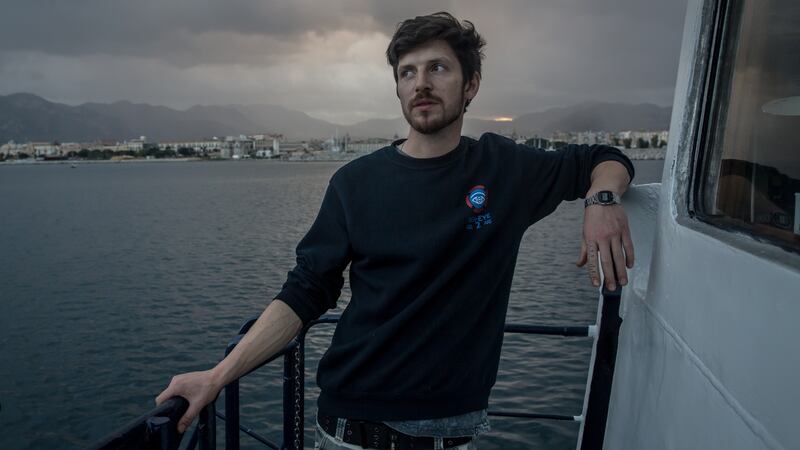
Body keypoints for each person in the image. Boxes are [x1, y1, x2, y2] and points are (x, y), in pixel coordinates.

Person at [156, 11, 635, 450]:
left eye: (437, 69)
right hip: (344, 431)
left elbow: (603, 159)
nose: (420, 84)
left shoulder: (503, 168)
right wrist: (217, 377)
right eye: (408, 73)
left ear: (471, 84)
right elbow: (306, 291)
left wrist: (602, 201)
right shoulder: (355, 183)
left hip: (446, 435)